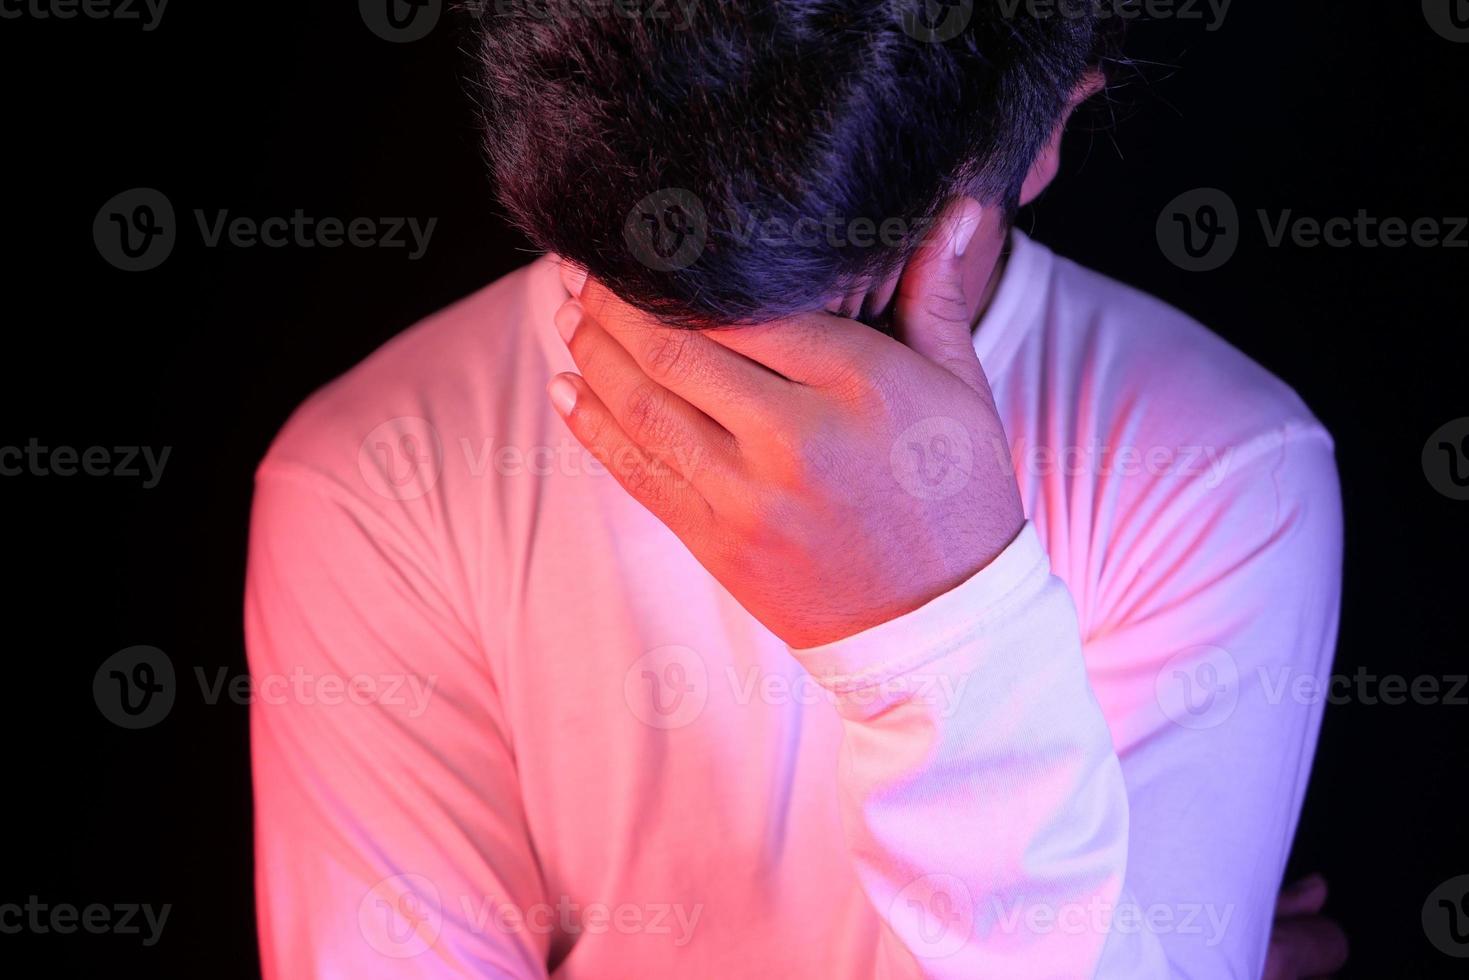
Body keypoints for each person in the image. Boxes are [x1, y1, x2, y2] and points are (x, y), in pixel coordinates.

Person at [245, 3, 1347, 975]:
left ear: (1049, 125)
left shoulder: (1215, 467)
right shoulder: (374, 480)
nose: (750, 385)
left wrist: (939, 623)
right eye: (647, 280)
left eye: (841, 300)